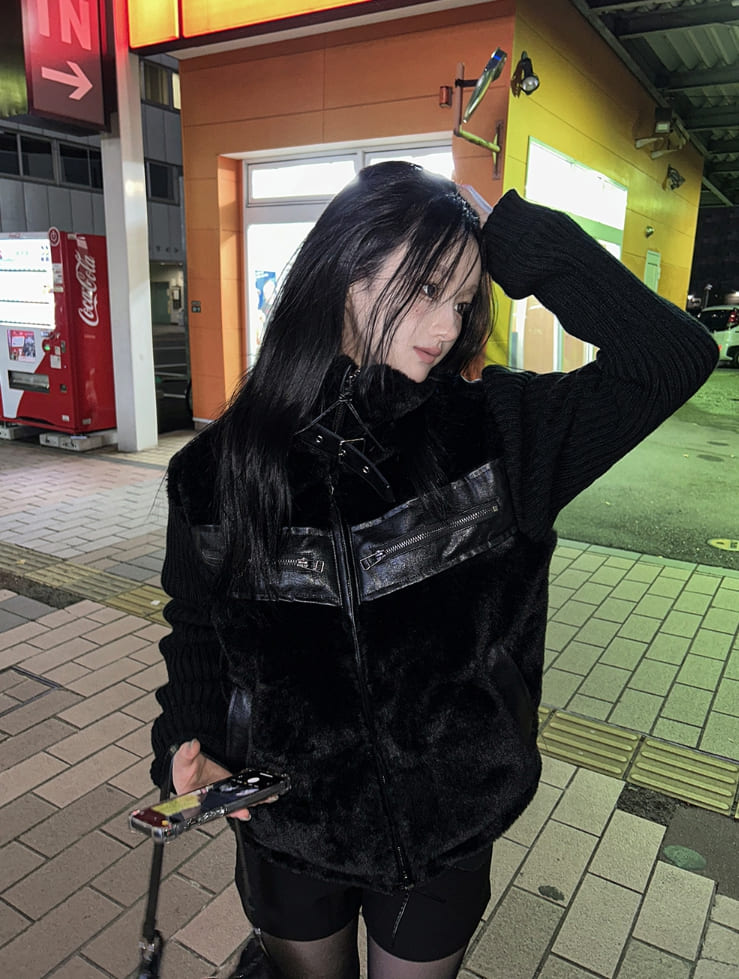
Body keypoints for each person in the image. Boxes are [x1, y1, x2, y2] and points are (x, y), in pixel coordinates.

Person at [150, 161, 717, 979]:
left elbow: (672, 356)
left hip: (447, 820)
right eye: (423, 289)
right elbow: (199, 632)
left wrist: (520, 239)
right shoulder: (216, 470)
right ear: (346, 272)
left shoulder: (501, 434)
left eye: (461, 300)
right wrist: (187, 746)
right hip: (288, 818)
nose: (447, 325)